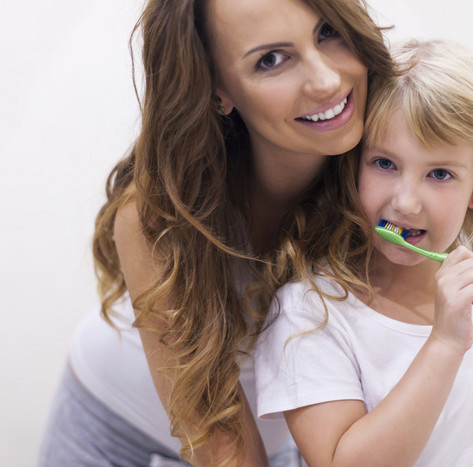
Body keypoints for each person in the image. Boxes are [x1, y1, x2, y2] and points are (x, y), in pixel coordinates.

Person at [38, 0, 394, 465]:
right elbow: (220, 444)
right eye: (270, 59)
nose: (326, 80)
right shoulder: (158, 215)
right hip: (112, 434)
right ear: (217, 89)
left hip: (281, 443)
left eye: (329, 31)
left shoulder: (397, 173)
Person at [254, 39, 473, 466]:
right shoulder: (309, 314)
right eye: (385, 164)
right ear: (352, 167)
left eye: (440, 173)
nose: (406, 202)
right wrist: (444, 343)